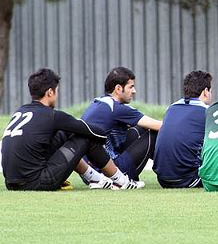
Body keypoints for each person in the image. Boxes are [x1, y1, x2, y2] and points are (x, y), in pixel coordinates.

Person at [2, 68, 142, 190]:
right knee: (85, 136)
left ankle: (97, 179)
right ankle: (121, 181)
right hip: (37, 181)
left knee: (63, 135)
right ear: (50, 92)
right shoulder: (52, 116)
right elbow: (96, 133)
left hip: (11, 182)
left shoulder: (19, 112)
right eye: (56, 91)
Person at [81, 66, 163, 181]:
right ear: (118, 88)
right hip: (109, 173)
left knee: (139, 129)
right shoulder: (116, 108)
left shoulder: (98, 102)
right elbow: (161, 126)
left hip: (91, 172)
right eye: (131, 87)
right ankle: (170, 173)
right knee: (152, 134)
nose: (134, 91)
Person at [152, 70, 212, 189]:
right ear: (205, 91)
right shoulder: (207, 111)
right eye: (210, 91)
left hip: (162, 179)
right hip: (188, 179)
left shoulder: (171, 108)